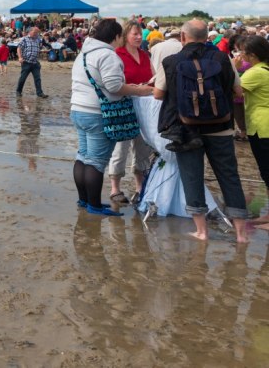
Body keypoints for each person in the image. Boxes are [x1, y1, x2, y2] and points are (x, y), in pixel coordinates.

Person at [154, 19, 248, 242]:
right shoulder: (223, 58)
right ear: (207, 37)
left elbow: (158, 94)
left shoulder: (171, 61)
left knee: (192, 177)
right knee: (229, 176)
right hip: (222, 127)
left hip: (186, 129)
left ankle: (202, 231)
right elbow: (238, 91)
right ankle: (242, 235)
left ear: (183, 38)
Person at [70, 19, 153, 216]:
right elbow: (114, 86)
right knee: (96, 162)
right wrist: (139, 90)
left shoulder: (84, 52)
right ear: (116, 37)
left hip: (78, 110)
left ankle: (84, 201)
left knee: (83, 157)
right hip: (98, 113)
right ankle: (94, 205)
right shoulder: (107, 55)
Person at [107, 22, 153, 205]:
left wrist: (148, 86)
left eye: (140, 34)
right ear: (126, 35)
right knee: (121, 148)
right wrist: (134, 88)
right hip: (123, 106)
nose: (139, 37)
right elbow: (114, 83)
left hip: (144, 106)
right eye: (135, 34)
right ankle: (115, 188)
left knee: (143, 148)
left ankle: (139, 187)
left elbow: (152, 76)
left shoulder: (144, 54)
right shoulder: (117, 55)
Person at [240, 36, 269, 230]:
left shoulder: (256, 72)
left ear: (253, 55)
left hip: (262, 125)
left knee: (267, 171)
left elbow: (234, 90)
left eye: (243, 52)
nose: (241, 55)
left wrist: (232, 68)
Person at [16, 26, 48, 98]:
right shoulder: (24, 39)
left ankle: (40, 93)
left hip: (35, 63)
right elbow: (19, 48)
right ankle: (18, 91)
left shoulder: (38, 39)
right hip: (26, 62)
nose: (36, 34)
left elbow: (39, 47)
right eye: (35, 32)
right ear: (30, 32)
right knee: (23, 78)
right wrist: (20, 57)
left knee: (38, 79)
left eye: (37, 32)